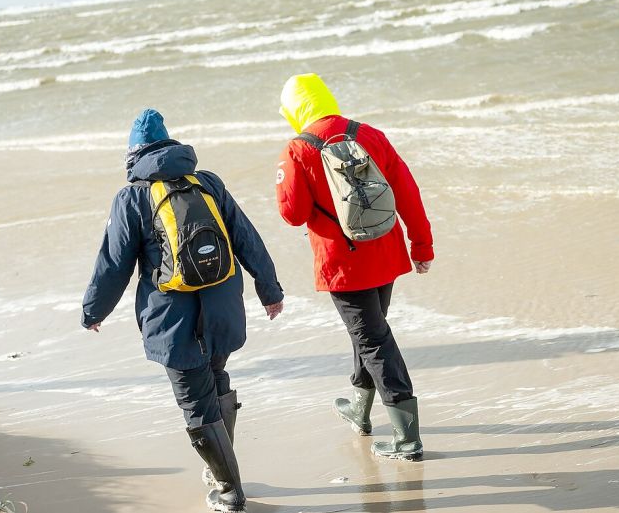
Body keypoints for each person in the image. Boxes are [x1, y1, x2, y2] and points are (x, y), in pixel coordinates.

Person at [82, 108, 284, 512]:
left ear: (133, 155)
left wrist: (93, 311)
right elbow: (246, 237)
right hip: (223, 309)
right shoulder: (207, 183)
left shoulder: (132, 198)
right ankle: (220, 469)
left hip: (173, 320)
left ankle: (230, 491)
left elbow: (114, 264)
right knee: (216, 376)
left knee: (195, 401)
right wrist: (269, 289)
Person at [274, 73, 433, 461]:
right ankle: (360, 409)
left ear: (294, 109)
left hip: (343, 264)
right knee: (369, 333)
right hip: (386, 251)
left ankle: (407, 439)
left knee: (373, 340)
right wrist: (422, 244)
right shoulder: (370, 135)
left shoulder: (297, 149)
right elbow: (407, 191)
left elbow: (293, 214)